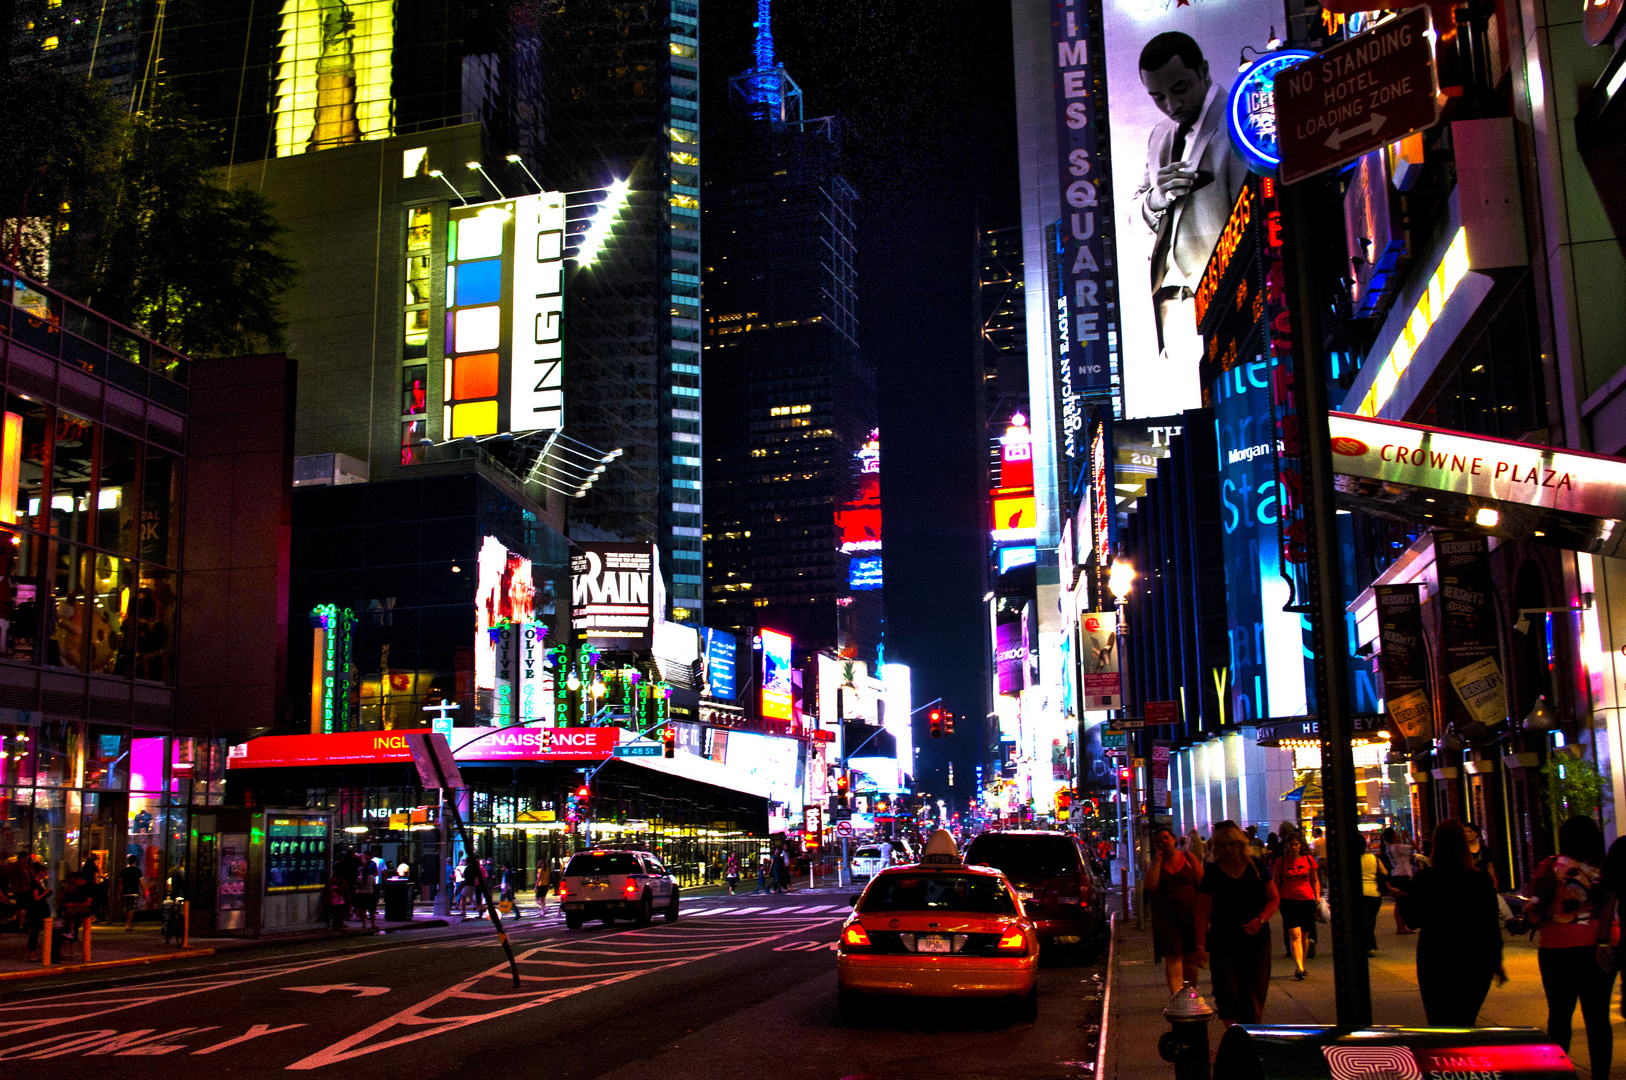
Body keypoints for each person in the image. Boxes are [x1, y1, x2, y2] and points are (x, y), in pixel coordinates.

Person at [1133, 31, 1247, 366]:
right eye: (1158, 97)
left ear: (1204, 71)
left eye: (1179, 89)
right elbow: (1135, 213)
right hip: (1178, 312)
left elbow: (1251, 213)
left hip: (1230, 295)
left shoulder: (1235, 121)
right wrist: (1156, 199)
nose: (1171, 105)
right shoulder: (1158, 137)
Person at [1527, 814, 1614, 1076]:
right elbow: (1609, 907)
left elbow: (1535, 904)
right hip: (1593, 946)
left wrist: (1529, 918)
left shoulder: (1551, 865)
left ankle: (1559, 1072)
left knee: (1560, 1015)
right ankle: (1601, 1074)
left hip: (1555, 949)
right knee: (1598, 1018)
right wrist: (1603, 941)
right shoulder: (1603, 868)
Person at [1398, 819, 1505, 1026]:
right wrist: (1496, 960)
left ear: (1436, 845)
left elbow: (1412, 921)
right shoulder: (1479, 880)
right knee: (1466, 1019)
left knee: (1439, 1021)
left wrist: (1402, 899)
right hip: (1474, 957)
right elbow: (1490, 924)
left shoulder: (1426, 879)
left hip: (1435, 956)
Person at [1195, 821, 1279, 1026]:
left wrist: (1260, 920)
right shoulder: (1213, 872)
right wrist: (1199, 945)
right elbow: (1202, 911)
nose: (1229, 849)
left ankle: (1250, 1036)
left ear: (1241, 843)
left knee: (1253, 993)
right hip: (1223, 941)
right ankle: (1234, 1036)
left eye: (1232, 844)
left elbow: (1273, 898)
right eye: (1223, 845)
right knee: (1226, 993)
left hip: (1255, 941)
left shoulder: (1256, 866)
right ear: (1216, 847)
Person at [1147, 825, 1201, 995]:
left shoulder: (1188, 858)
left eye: (1166, 837)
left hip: (1189, 914)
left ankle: (1191, 993)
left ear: (1173, 839)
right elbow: (1150, 885)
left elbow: (1202, 883)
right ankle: (1177, 997)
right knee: (1173, 958)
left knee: (1190, 958)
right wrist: (1157, 861)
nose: (1164, 842)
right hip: (1166, 917)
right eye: (1159, 840)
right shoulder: (1157, 863)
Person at [1272, 832, 1319, 980]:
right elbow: (1276, 882)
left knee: (1304, 935)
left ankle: (1302, 965)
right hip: (1288, 900)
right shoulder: (1281, 861)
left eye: (1296, 844)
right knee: (1294, 934)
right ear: (1286, 846)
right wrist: (1275, 899)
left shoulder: (1308, 859)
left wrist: (1317, 897)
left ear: (1301, 845)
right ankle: (1298, 967)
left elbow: (1315, 880)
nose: (1294, 847)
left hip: (1306, 900)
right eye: (1291, 844)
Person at [1360, 832, 1390, 956]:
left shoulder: (1351, 859)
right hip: (1374, 893)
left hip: (1361, 894)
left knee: (1363, 922)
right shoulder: (1373, 858)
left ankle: (1368, 945)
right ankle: (1370, 946)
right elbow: (1385, 872)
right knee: (1371, 921)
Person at [1384, 827, 1415, 934]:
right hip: (1402, 876)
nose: (1397, 837)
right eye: (1396, 835)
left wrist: (1403, 837)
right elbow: (1414, 846)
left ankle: (1401, 926)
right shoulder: (1397, 847)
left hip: (1396, 875)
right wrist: (1407, 836)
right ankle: (1401, 927)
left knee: (1399, 903)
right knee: (1402, 902)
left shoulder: (1389, 848)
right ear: (1392, 836)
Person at [24, 862, 51, 962]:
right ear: (40, 872)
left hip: (39, 909)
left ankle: (33, 954)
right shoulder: (35, 883)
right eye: (45, 872)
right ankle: (32, 954)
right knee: (34, 932)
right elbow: (36, 898)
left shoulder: (39, 882)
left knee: (36, 931)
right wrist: (45, 893)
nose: (46, 874)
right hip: (36, 911)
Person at [1464, 821, 1500, 890]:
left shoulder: (1484, 849)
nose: (1467, 834)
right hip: (1468, 884)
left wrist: (1495, 882)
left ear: (1476, 833)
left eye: (1469, 831)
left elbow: (1490, 867)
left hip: (1483, 883)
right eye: (1464, 832)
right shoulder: (1461, 850)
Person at [353, 855, 379, 929]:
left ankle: (364, 924)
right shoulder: (371, 878)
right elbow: (374, 886)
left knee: (363, 910)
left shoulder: (359, 878)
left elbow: (357, 886)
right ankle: (372, 924)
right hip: (370, 894)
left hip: (362, 894)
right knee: (371, 910)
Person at [119, 854, 143, 931]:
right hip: (134, 892)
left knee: (126, 909)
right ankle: (128, 924)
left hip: (125, 892)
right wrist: (144, 891)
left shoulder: (123, 871)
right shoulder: (137, 871)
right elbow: (141, 883)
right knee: (131, 909)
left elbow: (121, 884)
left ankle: (128, 923)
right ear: (135, 861)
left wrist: (119, 894)